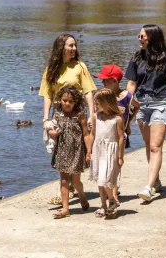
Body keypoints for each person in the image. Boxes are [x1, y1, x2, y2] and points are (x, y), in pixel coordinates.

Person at [124, 24, 166, 203]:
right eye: (139, 36)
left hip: (162, 103)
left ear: (152, 38)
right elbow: (132, 83)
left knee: (155, 146)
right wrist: (126, 106)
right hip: (141, 104)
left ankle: (148, 187)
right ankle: (156, 179)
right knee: (148, 144)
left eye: (142, 36)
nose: (139, 38)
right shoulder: (136, 58)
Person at [39, 33, 97, 205]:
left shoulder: (80, 66)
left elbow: (88, 92)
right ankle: (68, 189)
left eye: (75, 46)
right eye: (70, 46)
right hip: (59, 114)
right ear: (61, 48)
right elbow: (47, 95)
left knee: (76, 149)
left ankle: (73, 185)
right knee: (61, 152)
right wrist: (45, 119)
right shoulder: (51, 69)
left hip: (77, 113)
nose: (74, 49)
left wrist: (92, 115)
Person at [94, 64, 141, 201]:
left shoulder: (126, 96)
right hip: (105, 136)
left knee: (116, 163)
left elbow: (136, 106)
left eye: (105, 80)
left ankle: (114, 193)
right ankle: (108, 189)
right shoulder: (103, 96)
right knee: (104, 163)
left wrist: (128, 122)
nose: (102, 83)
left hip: (120, 136)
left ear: (115, 80)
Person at [46, 85, 91, 218]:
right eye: (64, 100)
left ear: (75, 102)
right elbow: (50, 128)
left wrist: (89, 151)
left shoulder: (80, 115)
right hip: (62, 149)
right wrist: (51, 132)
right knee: (64, 180)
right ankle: (66, 208)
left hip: (77, 150)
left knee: (75, 180)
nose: (67, 103)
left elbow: (86, 134)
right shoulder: (57, 113)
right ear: (60, 99)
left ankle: (82, 195)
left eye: (70, 101)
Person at [88, 88, 126, 218]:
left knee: (106, 179)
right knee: (100, 180)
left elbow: (121, 137)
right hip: (98, 150)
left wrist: (120, 156)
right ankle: (104, 205)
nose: (95, 106)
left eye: (97, 103)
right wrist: (89, 151)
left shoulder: (117, 119)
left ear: (107, 103)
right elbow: (92, 134)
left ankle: (112, 200)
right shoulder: (95, 117)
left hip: (110, 151)